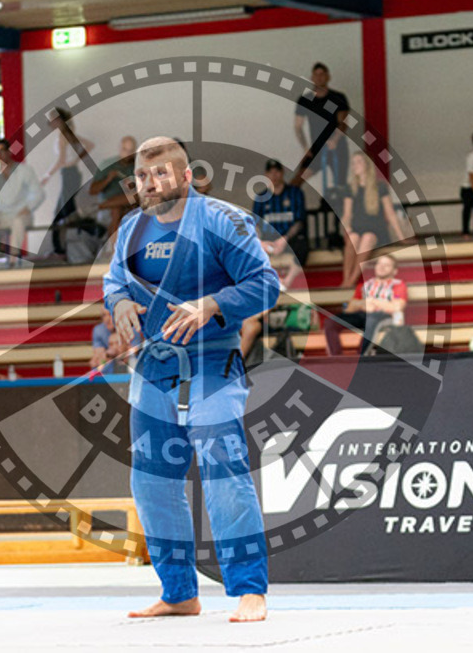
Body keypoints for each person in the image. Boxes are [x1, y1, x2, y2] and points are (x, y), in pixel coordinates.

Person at [104, 136, 279, 623]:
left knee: (222, 466)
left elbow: (266, 285)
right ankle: (179, 592)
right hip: (155, 367)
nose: (151, 183)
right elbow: (114, 280)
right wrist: (118, 303)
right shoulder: (131, 229)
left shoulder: (223, 221)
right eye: (142, 175)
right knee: (152, 481)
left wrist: (214, 304)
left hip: (211, 361)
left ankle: (249, 589)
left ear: (185, 176)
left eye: (161, 173)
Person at [339, 153, 404, 288]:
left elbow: (390, 213)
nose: (355, 166)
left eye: (358, 162)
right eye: (353, 163)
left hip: (375, 230)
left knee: (367, 238)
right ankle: (345, 279)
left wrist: (400, 237)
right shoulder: (349, 188)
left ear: (367, 165)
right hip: (357, 228)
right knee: (353, 238)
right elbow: (347, 214)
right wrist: (346, 228)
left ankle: (351, 280)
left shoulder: (380, 187)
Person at [323, 254, 408, 356]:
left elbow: (397, 307)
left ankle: (361, 357)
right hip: (361, 315)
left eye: (387, 265)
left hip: (383, 316)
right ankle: (336, 359)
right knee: (330, 322)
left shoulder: (398, 285)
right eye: (379, 264)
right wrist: (364, 304)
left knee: (371, 320)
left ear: (394, 271)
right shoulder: (365, 285)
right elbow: (349, 308)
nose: (381, 266)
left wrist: (373, 302)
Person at [0, 138, 43, 267]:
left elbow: (38, 193)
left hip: (22, 214)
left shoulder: (24, 171)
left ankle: (13, 258)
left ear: (9, 152)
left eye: (1, 151)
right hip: (3, 215)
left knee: (18, 221)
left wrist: (28, 207)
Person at [42, 108, 94, 256]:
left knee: (64, 212)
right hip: (71, 174)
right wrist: (75, 161)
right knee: (64, 212)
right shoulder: (68, 135)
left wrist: (47, 175)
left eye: (53, 119)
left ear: (59, 120)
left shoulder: (63, 137)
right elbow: (89, 145)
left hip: (69, 174)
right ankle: (61, 248)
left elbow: (61, 161)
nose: (50, 123)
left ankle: (60, 249)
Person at [253, 159, 308, 291]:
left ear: (282, 173)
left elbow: (300, 222)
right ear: (266, 175)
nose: (274, 175)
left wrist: (285, 239)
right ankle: (273, 280)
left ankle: (287, 281)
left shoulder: (295, 193)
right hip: (269, 241)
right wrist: (262, 242)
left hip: (289, 239)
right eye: (271, 172)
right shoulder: (261, 197)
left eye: (277, 172)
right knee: (250, 249)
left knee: (303, 246)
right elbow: (255, 224)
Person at [293, 62, 349, 191]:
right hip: (316, 149)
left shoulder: (338, 98)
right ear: (311, 77)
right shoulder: (305, 100)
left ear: (328, 77)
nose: (319, 77)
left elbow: (343, 123)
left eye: (322, 74)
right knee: (296, 182)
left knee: (340, 185)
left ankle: (341, 209)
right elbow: (298, 126)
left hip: (337, 148)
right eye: (316, 75)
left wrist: (335, 140)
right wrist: (305, 147)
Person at [89, 135, 137, 239]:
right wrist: (108, 179)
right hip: (113, 205)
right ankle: (114, 247)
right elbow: (93, 190)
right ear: (120, 149)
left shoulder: (137, 166)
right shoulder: (108, 165)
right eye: (125, 150)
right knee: (116, 210)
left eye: (131, 150)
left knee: (132, 200)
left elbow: (138, 194)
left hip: (130, 203)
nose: (128, 154)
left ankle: (113, 248)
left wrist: (130, 186)